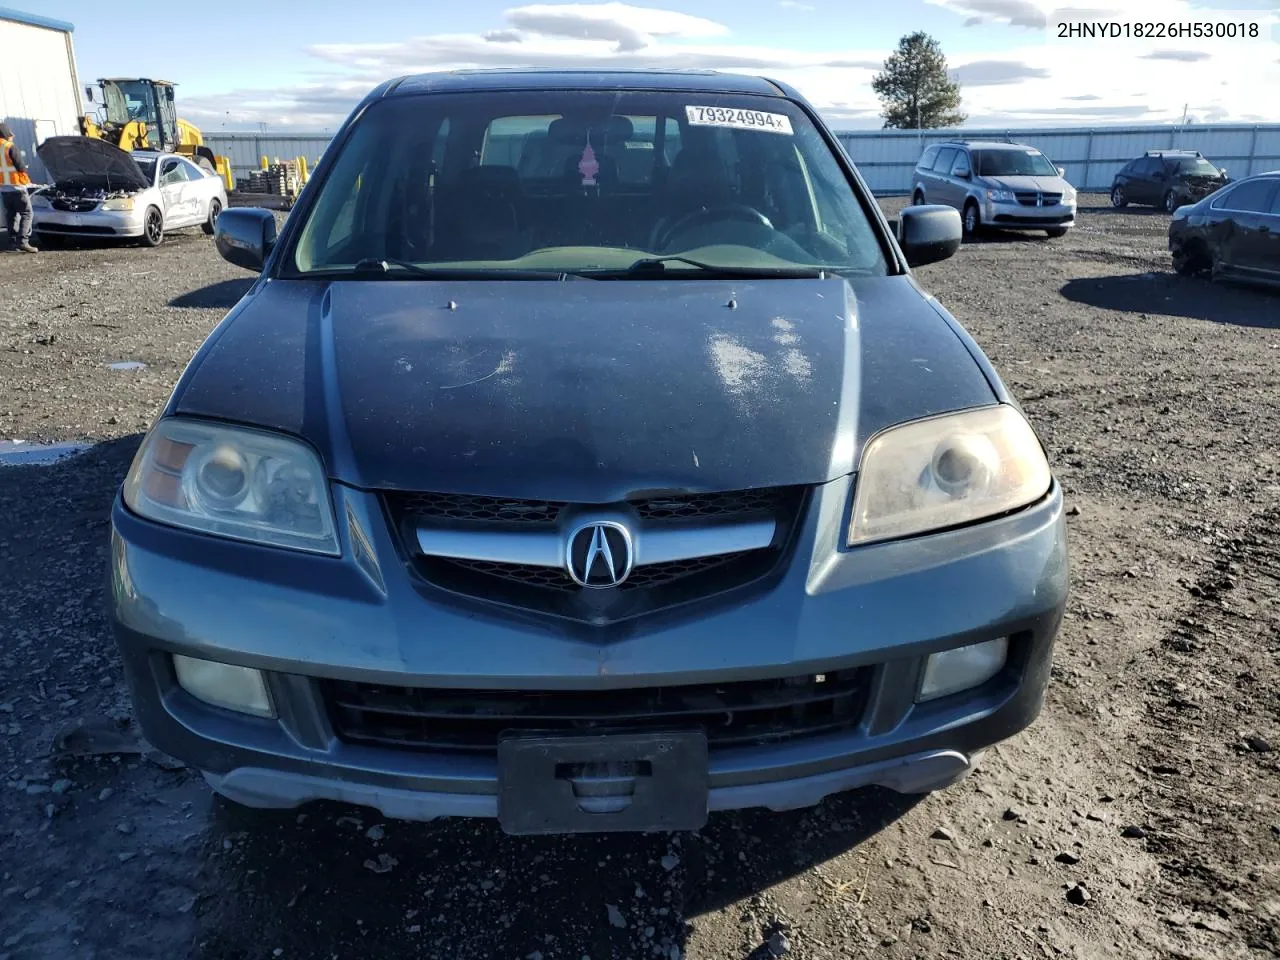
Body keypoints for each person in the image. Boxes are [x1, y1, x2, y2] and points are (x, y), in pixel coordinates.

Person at [0, 123, 37, 253]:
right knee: (27, 213)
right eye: (10, 134)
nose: (13, 136)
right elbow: (21, 168)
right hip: (17, 188)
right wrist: (28, 182)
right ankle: (23, 242)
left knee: (11, 215)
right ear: (6, 134)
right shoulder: (10, 147)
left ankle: (12, 242)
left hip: (3, 189)